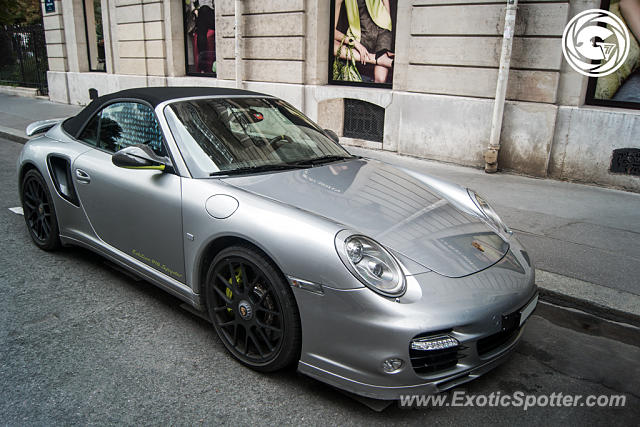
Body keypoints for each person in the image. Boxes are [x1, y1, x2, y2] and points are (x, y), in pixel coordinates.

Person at [333, 0, 395, 83]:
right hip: (358, 36)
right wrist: (354, 43)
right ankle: (376, 59)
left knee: (380, 80)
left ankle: (380, 58)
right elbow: (331, 32)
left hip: (382, 32)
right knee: (331, 46)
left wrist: (388, 19)